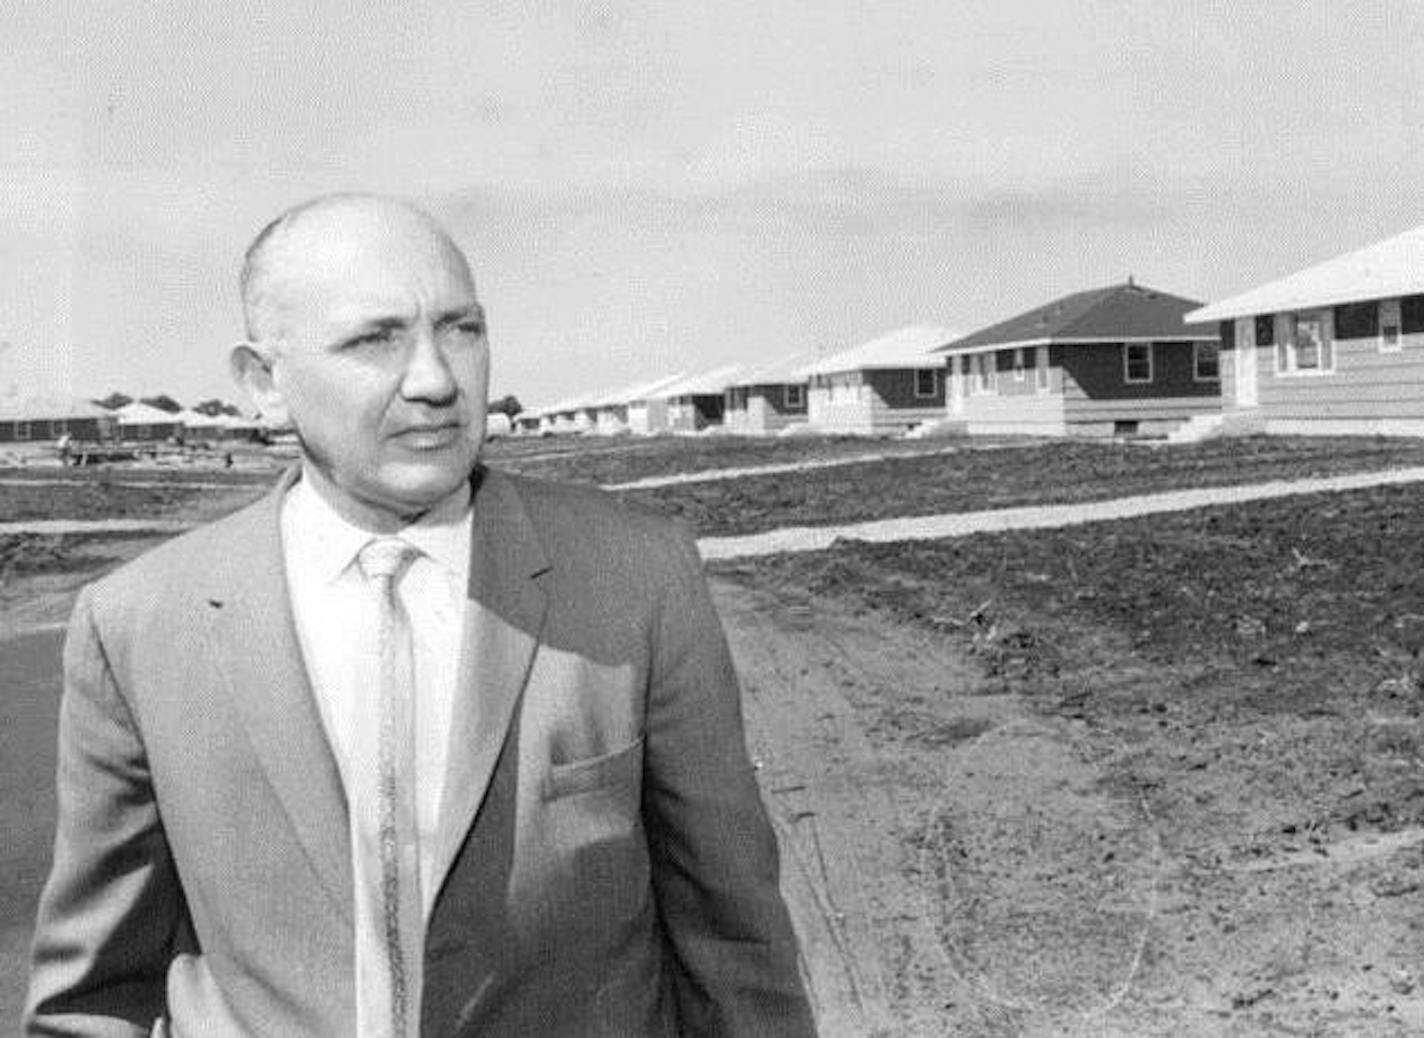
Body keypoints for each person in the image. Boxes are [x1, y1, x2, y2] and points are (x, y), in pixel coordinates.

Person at [25, 193, 815, 1036]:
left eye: (461, 329)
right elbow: (92, 997)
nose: (437, 380)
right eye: (376, 339)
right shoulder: (138, 624)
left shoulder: (636, 574)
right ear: (265, 383)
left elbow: (735, 945)